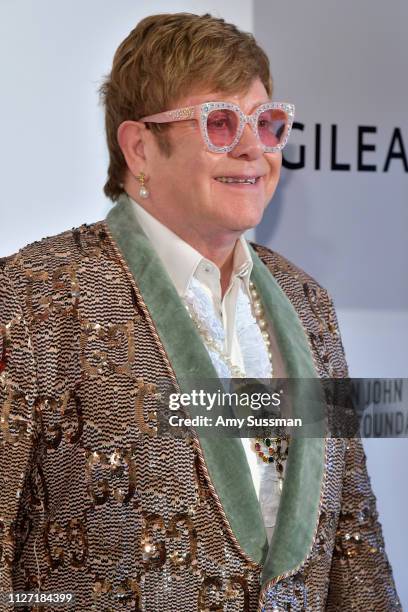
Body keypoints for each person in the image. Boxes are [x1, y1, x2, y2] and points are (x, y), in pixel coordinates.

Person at [0, 12, 401, 611]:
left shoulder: (308, 304)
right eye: (219, 123)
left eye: (267, 125)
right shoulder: (36, 297)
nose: (252, 148)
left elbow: (354, 543)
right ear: (139, 147)